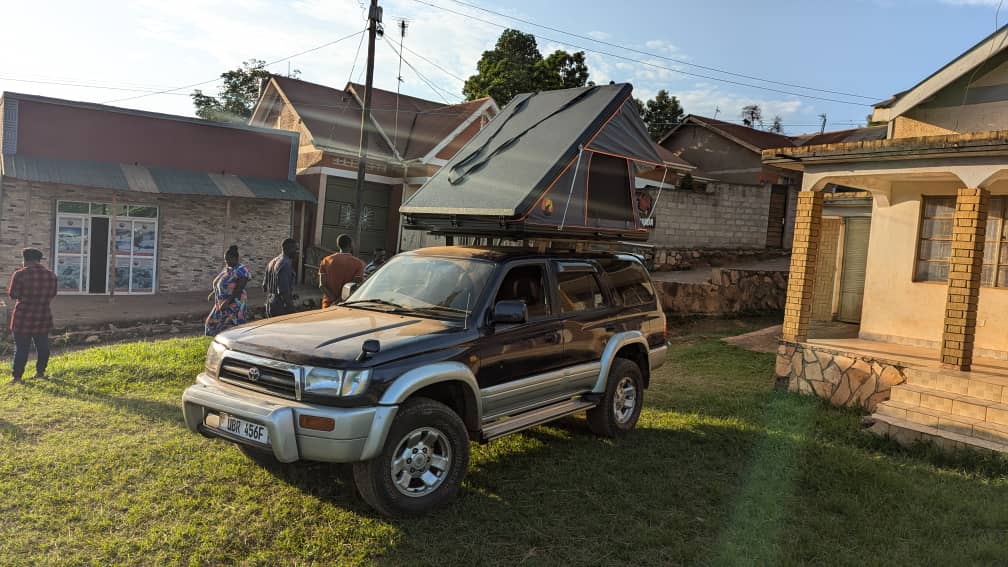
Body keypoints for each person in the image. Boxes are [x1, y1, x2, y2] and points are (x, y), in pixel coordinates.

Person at [7, 248, 57, 385]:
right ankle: (40, 372)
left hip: (23, 317)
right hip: (43, 315)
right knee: (43, 346)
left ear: (25, 260)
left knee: (22, 347)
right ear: (39, 260)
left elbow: (13, 295)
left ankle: (17, 377)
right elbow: (53, 294)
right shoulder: (51, 275)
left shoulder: (20, 274)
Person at [205, 245, 250, 336]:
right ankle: (221, 343)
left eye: (228, 259)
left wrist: (227, 301)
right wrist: (214, 292)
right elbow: (223, 282)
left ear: (235, 258)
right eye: (225, 259)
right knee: (213, 324)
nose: (226, 262)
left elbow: (239, 289)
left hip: (234, 303)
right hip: (221, 303)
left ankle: (232, 345)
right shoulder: (228, 268)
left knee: (231, 327)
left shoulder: (241, 270)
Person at [318, 234, 365, 309]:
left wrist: (333, 300)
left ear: (338, 245)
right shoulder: (358, 263)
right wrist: (339, 301)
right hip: (347, 305)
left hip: (328, 305)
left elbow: (322, 285)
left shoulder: (326, 260)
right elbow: (355, 287)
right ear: (351, 245)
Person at [263, 238, 299, 318]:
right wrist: (293, 310)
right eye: (296, 249)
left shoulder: (272, 262)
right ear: (288, 249)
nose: (298, 252)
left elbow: (264, 287)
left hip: (269, 304)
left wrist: (291, 295)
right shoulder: (285, 264)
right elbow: (283, 291)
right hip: (281, 308)